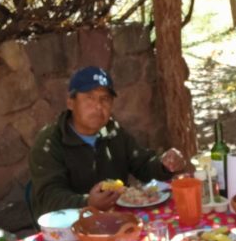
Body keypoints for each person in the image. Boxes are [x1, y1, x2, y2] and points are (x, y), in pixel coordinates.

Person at [29, 66, 188, 215]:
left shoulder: (113, 131)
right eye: (89, 97)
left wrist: (164, 164)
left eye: (105, 99)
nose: (98, 106)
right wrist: (87, 203)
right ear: (71, 103)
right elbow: (49, 198)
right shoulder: (50, 142)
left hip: (117, 221)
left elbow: (142, 164)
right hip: (71, 228)